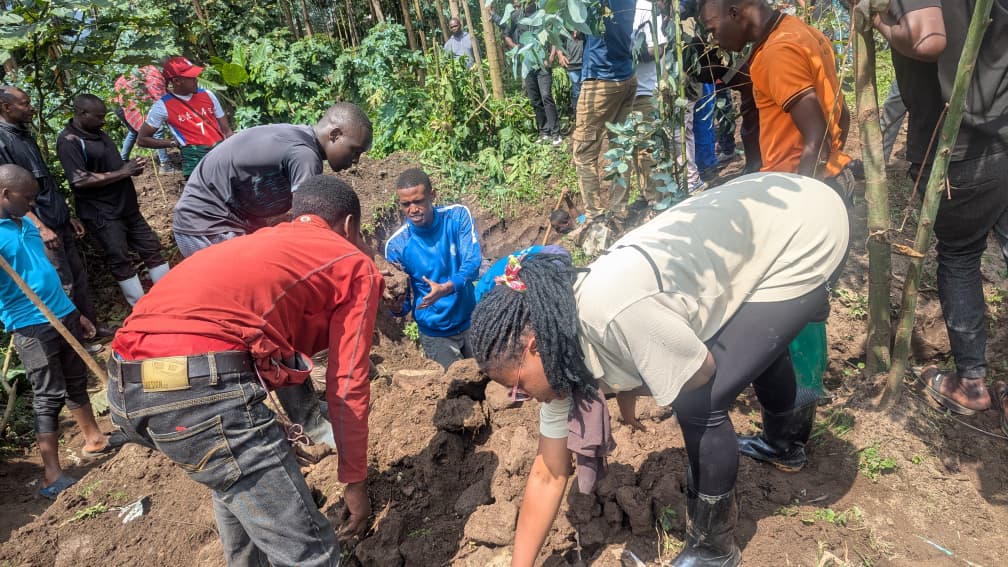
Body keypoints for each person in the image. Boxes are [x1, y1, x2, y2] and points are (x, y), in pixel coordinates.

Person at [469, 172, 849, 567]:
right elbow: (548, 473)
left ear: (534, 347)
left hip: (802, 229)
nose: (518, 398)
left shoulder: (610, 312)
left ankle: (713, 551)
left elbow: (700, 372)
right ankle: (784, 445)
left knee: (699, 402)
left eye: (516, 385)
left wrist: (636, 384)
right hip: (755, 232)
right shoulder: (559, 358)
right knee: (747, 349)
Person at [108, 175, 383, 566]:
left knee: (231, 475)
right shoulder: (353, 263)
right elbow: (348, 382)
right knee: (313, 553)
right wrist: (355, 481)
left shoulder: (254, 245)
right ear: (350, 225)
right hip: (197, 395)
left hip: (127, 387)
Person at [867, 0, 1008, 425]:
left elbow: (928, 39)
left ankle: (971, 384)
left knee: (961, 255)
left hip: (958, 146)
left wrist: (879, 23)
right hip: (1003, 131)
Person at [0, 164, 114, 500]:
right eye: (26, 198)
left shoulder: (26, 225)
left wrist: (74, 312)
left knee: (77, 380)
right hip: (30, 324)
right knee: (48, 394)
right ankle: (52, 474)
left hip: (62, 313)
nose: (31, 204)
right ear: (5, 194)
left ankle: (94, 439)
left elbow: (46, 273)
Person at [171, 102, 372, 257]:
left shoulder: (297, 137)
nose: (356, 160)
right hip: (207, 226)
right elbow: (311, 227)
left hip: (212, 222)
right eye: (355, 150)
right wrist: (358, 253)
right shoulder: (304, 156)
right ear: (335, 135)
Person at [700, 0, 855, 201]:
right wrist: (834, 160)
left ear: (734, 14)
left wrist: (805, 201)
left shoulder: (777, 52)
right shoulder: (804, 32)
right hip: (829, 175)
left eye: (713, 30)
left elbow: (817, 136)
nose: (714, 40)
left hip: (799, 183)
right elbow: (842, 113)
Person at [0, 86, 110, 343]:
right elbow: (10, 193)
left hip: (55, 217)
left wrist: (65, 214)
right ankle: (73, 341)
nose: (31, 108)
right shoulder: (3, 141)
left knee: (77, 276)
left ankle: (90, 328)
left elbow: (43, 181)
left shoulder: (23, 134)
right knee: (61, 281)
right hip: (38, 225)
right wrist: (39, 226)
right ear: (6, 107)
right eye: (25, 103)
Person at [56, 94, 171, 306]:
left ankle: (170, 297)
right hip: (102, 214)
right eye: (99, 116)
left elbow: (112, 169)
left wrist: (131, 169)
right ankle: (140, 307)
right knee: (120, 258)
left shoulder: (98, 133)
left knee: (151, 248)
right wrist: (123, 172)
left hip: (127, 207)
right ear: (82, 113)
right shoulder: (69, 141)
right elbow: (79, 180)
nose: (103, 121)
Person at [385, 168, 481, 370]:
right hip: (435, 334)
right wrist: (395, 306)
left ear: (432, 195)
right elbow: (403, 303)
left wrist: (447, 288)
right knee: (454, 386)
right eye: (406, 204)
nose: (413, 209)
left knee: (488, 376)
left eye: (418, 201)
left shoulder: (457, 216)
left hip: (471, 320)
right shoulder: (397, 245)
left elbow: (473, 262)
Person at [573, 0, 637, 224]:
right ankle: (619, 211)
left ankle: (595, 219)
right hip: (627, 76)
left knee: (584, 152)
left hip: (601, 80)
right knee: (621, 148)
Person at [137, 56, 234, 178]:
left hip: (220, 153)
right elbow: (142, 139)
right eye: (191, 78)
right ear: (177, 81)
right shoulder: (162, 106)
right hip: (194, 160)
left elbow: (227, 131)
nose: (196, 80)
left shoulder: (208, 95)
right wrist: (173, 143)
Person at [506, 1, 562, 145]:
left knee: (546, 96)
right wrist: (516, 48)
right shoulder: (516, 16)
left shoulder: (543, 12)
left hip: (543, 63)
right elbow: (506, 34)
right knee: (535, 99)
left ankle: (556, 133)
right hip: (528, 64)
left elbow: (554, 34)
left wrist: (551, 56)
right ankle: (544, 132)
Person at [112, 65, 174, 172]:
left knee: (134, 131)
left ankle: (122, 160)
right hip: (127, 104)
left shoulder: (149, 73)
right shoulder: (156, 80)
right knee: (157, 130)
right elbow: (162, 104)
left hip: (117, 104)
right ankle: (165, 165)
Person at [557, 31, 584, 122]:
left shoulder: (588, 24)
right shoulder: (565, 26)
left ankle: (587, 117)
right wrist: (560, 56)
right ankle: (578, 117)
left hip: (587, 65)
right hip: (572, 65)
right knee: (576, 93)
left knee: (588, 92)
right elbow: (556, 40)